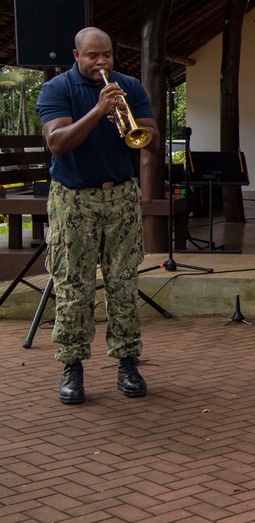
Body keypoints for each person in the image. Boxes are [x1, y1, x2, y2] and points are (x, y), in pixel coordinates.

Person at [35, 27, 160, 404]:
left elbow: (151, 134)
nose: (102, 62)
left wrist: (132, 128)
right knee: (74, 286)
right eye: (93, 56)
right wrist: (98, 111)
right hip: (74, 199)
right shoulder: (57, 90)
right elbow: (57, 143)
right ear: (77, 56)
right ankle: (72, 366)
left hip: (120, 195)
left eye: (107, 55)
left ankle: (127, 362)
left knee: (123, 282)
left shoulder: (129, 86)